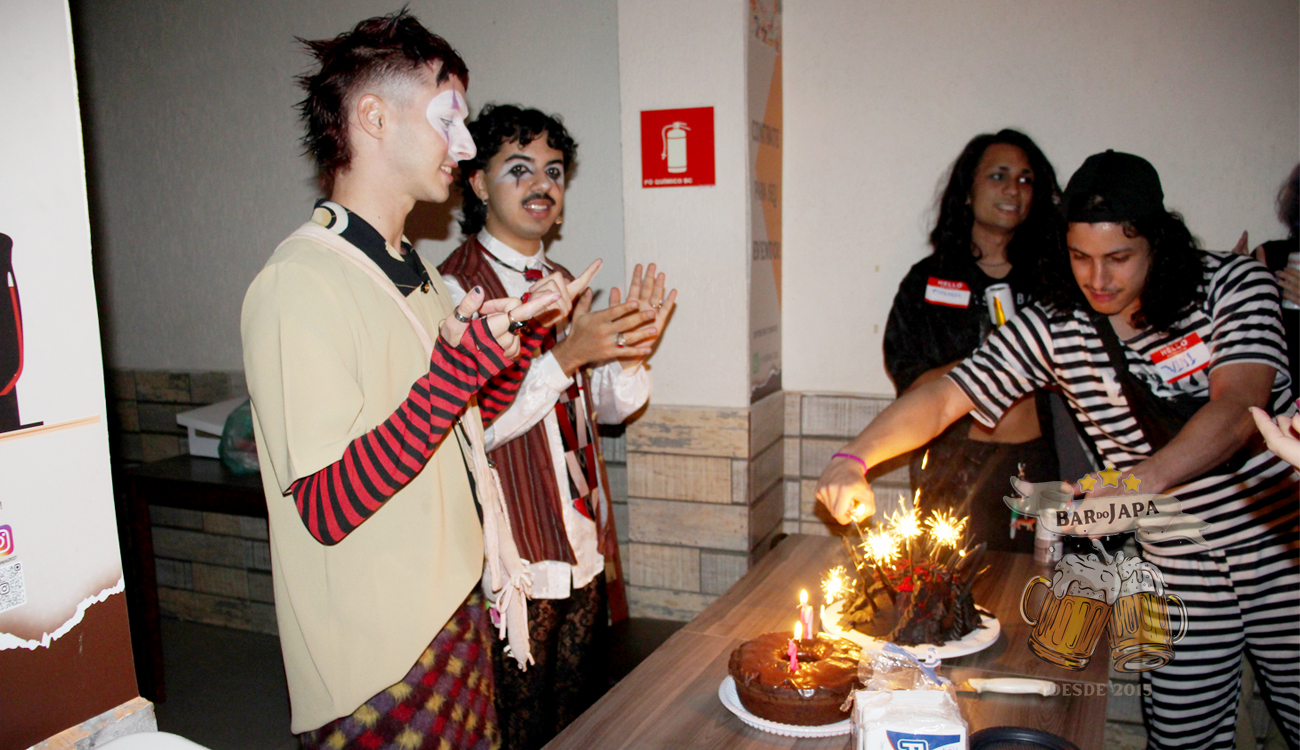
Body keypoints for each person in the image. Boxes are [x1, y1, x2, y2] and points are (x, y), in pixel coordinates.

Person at [817, 150, 1298, 750]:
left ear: (1159, 241)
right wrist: (853, 457)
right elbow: (946, 396)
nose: (1098, 279)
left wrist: (1136, 485)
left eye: (1119, 258)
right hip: (1177, 569)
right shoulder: (1055, 324)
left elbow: (1237, 408)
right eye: (1080, 258)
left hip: (1283, 549)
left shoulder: (1233, 285)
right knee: (1183, 737)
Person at [241, 13, 567, 749]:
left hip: (452, 613)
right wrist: (458, 370)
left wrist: (512, 341)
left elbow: (446, 430)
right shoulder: (299, 282)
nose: (465, 144)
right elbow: (326, 506)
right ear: (372, 117)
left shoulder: (415, 269)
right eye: (448, 117)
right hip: (374, 659)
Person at [438, 104, 675, 750]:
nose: (541, 184)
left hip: (579, 528)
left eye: (554, 171)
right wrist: (566, 355)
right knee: (519, 724)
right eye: (519, 169)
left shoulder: (565, 283)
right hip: (513, 546)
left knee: (582, 715)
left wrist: (626, 354)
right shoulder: (459, 290)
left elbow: (597, 409)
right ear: (478, 183)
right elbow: (467, 433)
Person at [882, 129, 1063, 551]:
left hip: (1037, 465)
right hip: (955, 468)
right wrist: (987, 360)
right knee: (949, 593)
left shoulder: (1055, 279)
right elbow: (911, 383)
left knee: (1038, 586)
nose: (1013, 189)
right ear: (967, 190)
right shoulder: (927, 281)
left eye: (1025, 179)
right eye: (998, 176)